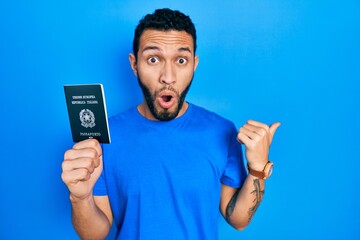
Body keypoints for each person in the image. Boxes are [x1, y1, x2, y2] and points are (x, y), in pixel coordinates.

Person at [61, 8, 280, 240]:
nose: (168, 76)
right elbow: (94, 235)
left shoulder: (222, 131)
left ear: (194, 64)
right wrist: (80, 197)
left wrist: (257, 169)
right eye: (153, 59)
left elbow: (237, 219)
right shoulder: (104, 137)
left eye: (181, 60)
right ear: (134, 64)